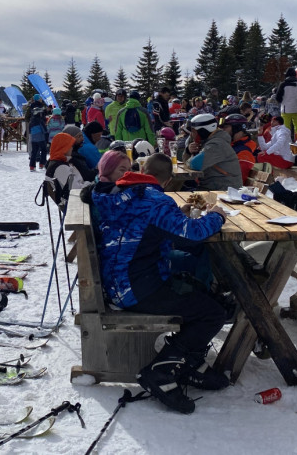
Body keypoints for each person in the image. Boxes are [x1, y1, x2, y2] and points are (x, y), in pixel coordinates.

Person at [89, 152, 228, 413]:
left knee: (201, 292)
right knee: (213, 312)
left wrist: (174, 214)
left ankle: (188, 363)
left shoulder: (117, 192)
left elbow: (145, 227)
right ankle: (162, 372)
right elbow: (193, 234)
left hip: (118, 280)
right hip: (135, 287)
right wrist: (218, 215)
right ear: (167, 181)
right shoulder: (153, 200)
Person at [184, 113, 243, 190]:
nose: (192, 135)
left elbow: (195, 164)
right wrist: (189, 151)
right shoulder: (211, 142)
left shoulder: (217, 144)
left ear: (203, 131)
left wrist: (191, 158)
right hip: (215, 187)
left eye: (193, 131)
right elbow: (188, 162)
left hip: (223, 191)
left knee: (176, 192)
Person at [44, 132, 92, 209]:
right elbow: (76, 191)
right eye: (70, 146)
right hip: (75, 204)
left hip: (75, 201)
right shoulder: (61, 167)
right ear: (63, 148)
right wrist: (90, 184)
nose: (72, 148)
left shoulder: (59, 162)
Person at [221, 113, 260, 181]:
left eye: (226, 127)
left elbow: (238, 179)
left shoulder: (244, 152)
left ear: (237, 128)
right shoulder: (232, 145)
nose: (223, 130)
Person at [276, 68, 297, 140]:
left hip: (286, 109)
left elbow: (278, 97)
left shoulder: (283, 84)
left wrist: (282, 101)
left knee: (285, 128)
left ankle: (286, 144)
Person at [27, 100, 48, 172]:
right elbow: (44, 130)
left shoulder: (31, 120)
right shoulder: (40, 120)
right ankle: (42, 164)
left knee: (34, 152)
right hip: (40, 138)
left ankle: (32, 166)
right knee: (44, 150)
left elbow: (29, 130)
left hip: (33, 138)